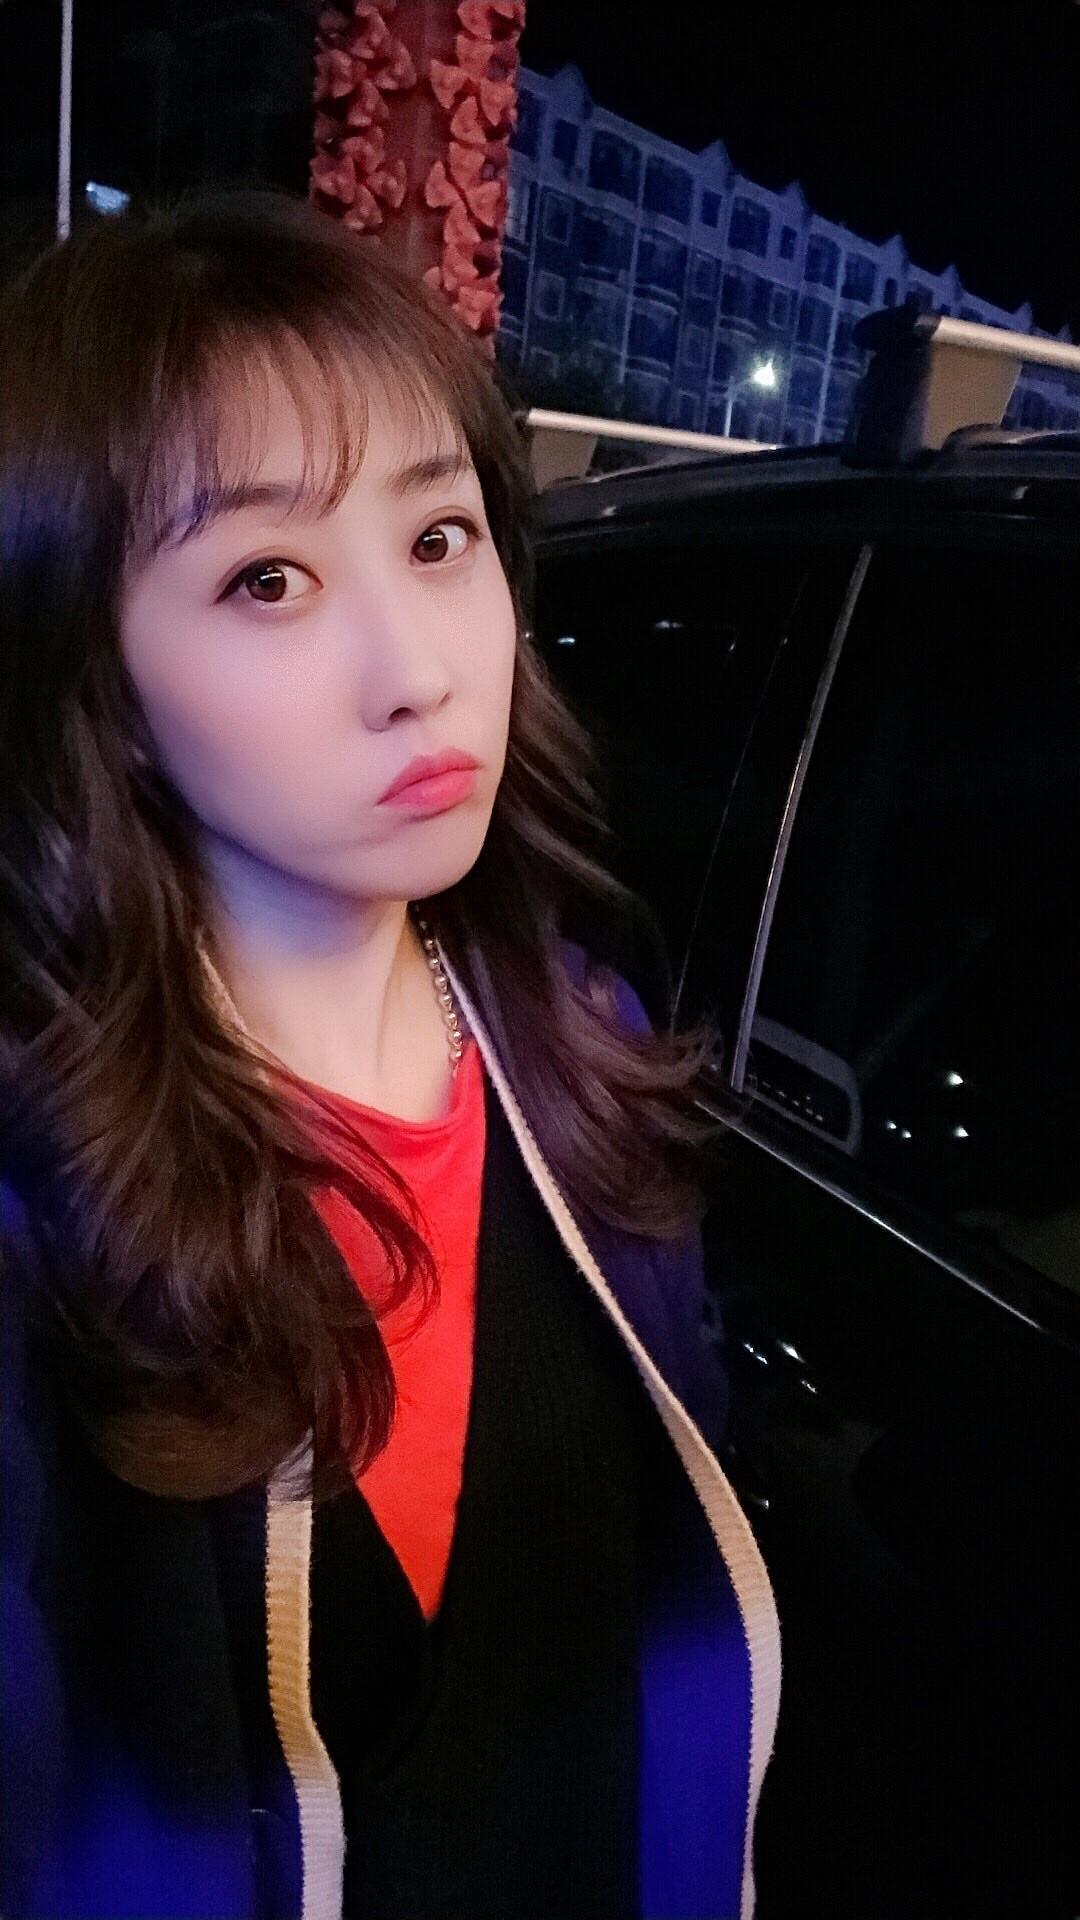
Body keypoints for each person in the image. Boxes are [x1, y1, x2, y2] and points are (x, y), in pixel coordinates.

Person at [0, 189, 780, 1920]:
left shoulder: (581, 1041)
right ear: (93, 672)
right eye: (267, 579)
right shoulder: (40, 1181)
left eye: (439, 539)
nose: (416, 672)